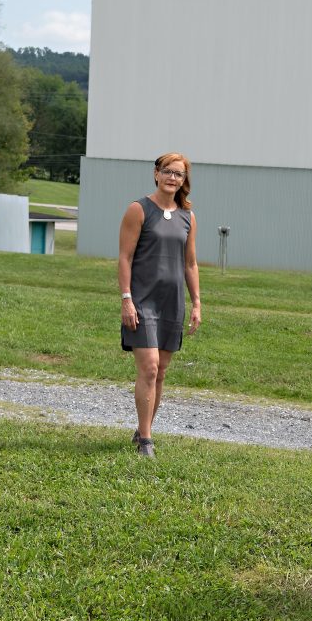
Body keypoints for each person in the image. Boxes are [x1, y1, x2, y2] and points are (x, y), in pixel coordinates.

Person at [118, 152, 202, 458]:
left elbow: (190, 264)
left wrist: (196, 303)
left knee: (162, 370)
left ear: (184, 180)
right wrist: (126, 298)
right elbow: (125, 258)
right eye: (167, 171)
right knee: (149, 368)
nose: (172, 178)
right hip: (142, 300)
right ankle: (146, 442)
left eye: (178, 174)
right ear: (156, 174)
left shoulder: (187, 217)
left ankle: (143, 430)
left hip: (172, 303)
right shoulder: (138, 210)